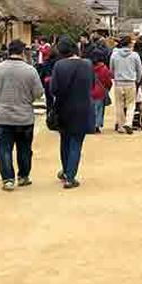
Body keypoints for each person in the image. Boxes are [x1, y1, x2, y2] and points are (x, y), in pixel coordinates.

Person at [0, 39, 44, 191]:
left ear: (8, 51)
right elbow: (39, 93)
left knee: (4, 149)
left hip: (3, 116)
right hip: (24, 117)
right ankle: (23, 176)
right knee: (24, 149)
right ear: (23, 52)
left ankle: (8, 179)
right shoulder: (30, 70)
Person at [49, 36, 95, 189]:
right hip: (83, 107)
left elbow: (53, 89)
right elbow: (92, 85)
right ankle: (70, 176)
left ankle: (66, 171)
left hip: (63, 107)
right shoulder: (87, 64)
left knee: (65, 140)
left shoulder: (59, 65)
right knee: (76, 142)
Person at [109, 35, 142, 134]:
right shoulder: (135, 55)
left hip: (118, 82)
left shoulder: (114, 55)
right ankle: (128, 122)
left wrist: (114, 77)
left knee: (119, 104)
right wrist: (138, 80)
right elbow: (139, 69)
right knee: (131, 104)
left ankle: (121, 126)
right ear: (129, 44)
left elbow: (111, 69)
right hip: (131, 82)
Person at [89, 50, 113, 133]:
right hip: (100, 91)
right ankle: (97, 125)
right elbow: (108, 81)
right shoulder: (104, 68)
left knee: (90, 109)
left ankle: (90, 124)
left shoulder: (88, 67)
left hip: (89, 90)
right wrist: (108, 88)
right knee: (99, 110)